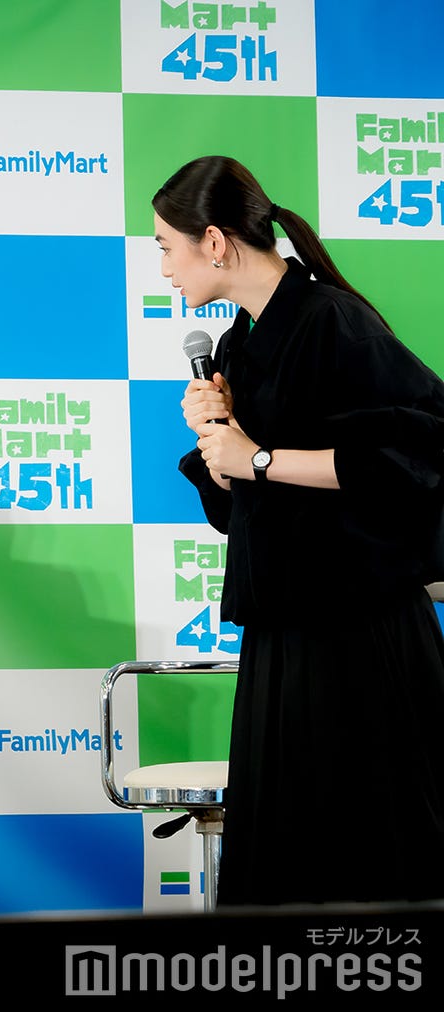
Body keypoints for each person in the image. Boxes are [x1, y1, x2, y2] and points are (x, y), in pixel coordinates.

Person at [159, 154, 444, 906]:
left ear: (213, 241)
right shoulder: (236, 346)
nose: (164, 269)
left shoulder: (332, 321)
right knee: (287, 863)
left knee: (375, 857)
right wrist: (219, 446)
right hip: (283, 634)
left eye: (166, 247)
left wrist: (257, 457)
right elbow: (244, 509)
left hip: (361, 634)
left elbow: (417, 457)